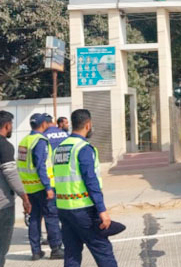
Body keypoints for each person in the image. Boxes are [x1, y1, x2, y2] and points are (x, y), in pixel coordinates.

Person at [54, 109, 117, 267]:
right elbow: (91, 181)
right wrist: (102, 210)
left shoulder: (60, 148)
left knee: (72, 253)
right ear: (88, 125)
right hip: (83, 209)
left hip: (63, 208)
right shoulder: (83, 148)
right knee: (103, 250)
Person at [17, 113, 63, 260]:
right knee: (51, 217)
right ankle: (56, 249)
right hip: (42, 187)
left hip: (29, 188)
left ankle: (36, 251)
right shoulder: (40, 140)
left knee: (34, 218)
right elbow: (40, 166)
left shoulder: (25, 140)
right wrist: (48, 187)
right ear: (44, 124)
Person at [0, 110, 32, 267]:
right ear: (7, 125)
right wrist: (25, 198)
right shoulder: (4, 145)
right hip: (2, 205)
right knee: (1, 247)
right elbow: (11, 174)